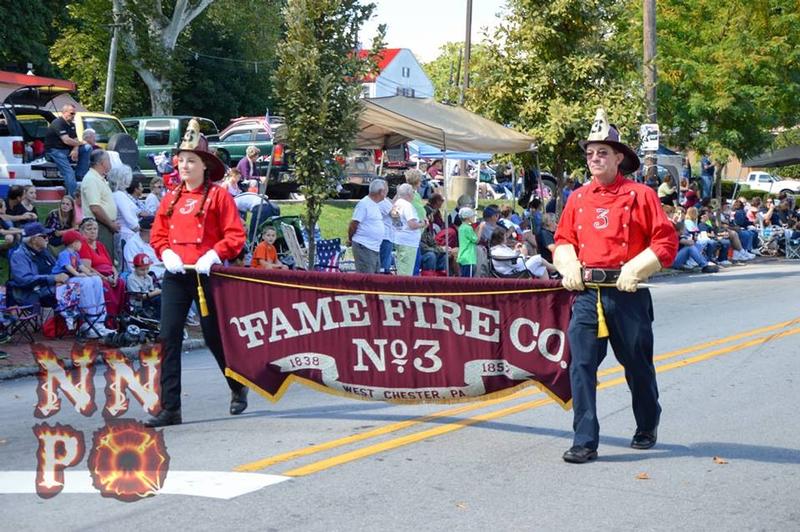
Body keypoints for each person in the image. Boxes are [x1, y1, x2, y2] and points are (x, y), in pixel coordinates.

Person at [552, 108, 678, 464]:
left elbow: (665, 243)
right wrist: (567, 262)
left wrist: (638, 267)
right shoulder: (577, 198)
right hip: (587, 295)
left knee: (637, 365)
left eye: (602, 152)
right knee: (581, 366)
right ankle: (585, 440)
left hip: (627, 294)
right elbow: (563, 238)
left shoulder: (641, 195)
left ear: (619, 157)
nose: (594, 158)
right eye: (590, 153)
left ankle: (647, 422)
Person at [145, 118, 248, 427]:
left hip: (206, 274)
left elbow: (235, 236)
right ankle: (170, 407)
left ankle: (237, 385)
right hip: (177, 273)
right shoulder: (170, 197)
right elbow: (157, 235)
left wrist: (215, 254)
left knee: (214, 337)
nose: (185, 166)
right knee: (168, 338)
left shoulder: (218, 196)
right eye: (182, 160)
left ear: (205, 165)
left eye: (191, 161)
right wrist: (165, 253)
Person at [52, 230, 113, 336]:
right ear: (74, 243)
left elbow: (81, 266)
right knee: (85, 282)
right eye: (80, 242)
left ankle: (99, 320)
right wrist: (77, 274)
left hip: (73, 278)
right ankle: (90, 318)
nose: (82, 244)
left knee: (96, 279)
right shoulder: (64, 254)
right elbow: (68, 267)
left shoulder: (75, 254)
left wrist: (90, 273)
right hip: (63, 280)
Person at [8, 223, 69, 306]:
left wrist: (62, 278)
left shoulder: (44, 250)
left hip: (51, 287)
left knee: (80, 284)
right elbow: (24, 280)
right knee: (73, 291)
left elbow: (56, 268)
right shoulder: (19, 255)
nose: (48, 238)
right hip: (32, 293)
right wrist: (53, 279)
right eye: (44, 236)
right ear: (34, 239)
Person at [77, 218, 126, 320]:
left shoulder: (100, 245)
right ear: (81, 231)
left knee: (121, 282)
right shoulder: (82, 245)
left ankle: (120, 318)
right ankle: (107, 319)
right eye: (89, 228)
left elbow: (111, 265)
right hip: (97, 276)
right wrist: (105, 278)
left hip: (110, 275)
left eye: (95, 228)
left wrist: (116, 276)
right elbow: (87, 268)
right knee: (105, 285)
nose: (93, 231)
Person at [80, 150, 120, 256]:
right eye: (109, 160)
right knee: (103, 257)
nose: (110, 163)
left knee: (108, 255)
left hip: (104, 225)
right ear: (102, 162)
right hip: (99, 226)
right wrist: (111, 224)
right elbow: (95, 208)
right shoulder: (91, 179)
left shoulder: (99, 178)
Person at [44, 104, 90, 196]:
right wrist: (81, 143)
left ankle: (79, 176)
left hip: (68, 151)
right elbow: (66, 140)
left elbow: (75, 139)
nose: (74, 116)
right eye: (72, 113)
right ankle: (73, 197)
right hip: (55, 151)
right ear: (64, 113)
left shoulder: (72, 125)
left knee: (87, 148)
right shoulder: (58, 123)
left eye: (75, 114)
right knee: (69, 172)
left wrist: (76, 149)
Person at [348, 179, 388, 274]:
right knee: (366, 277)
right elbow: (354, 224)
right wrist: (350, 238)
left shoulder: (375, 204)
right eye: (385, 190)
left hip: (374, 247)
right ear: (381, 192)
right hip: (364, 246)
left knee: (375, 275)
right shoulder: (364, 204)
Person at [391, 183, 427, 276]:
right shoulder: (407, 206)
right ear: (409, 194)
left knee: (401, 267)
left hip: (399, 238)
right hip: (408, 242)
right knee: (407, 270)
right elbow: (412, 224)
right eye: (412, 192)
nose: (413, 195)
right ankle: (403, 288)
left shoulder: (396, 204)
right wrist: (423, 224)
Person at [127, 253, 162, 318]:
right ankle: (158, 319)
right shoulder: (131, 278)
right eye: (142, 270)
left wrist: (156, 291)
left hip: (148, 299)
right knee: (159, 300)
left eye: (147, 269)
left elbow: (151, 290)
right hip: (138, 303)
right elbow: (139, 297)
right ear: (135, 267)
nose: (145, 272)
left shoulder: (148, 277)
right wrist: (156, 292)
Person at [457, 207, 479, 277]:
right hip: (469, 259)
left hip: (462, 257)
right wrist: (481, 227)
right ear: (467, 217)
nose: (473, 218)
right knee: (468, 282)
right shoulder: (468, 228)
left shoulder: (461, 227)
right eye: (472, 216)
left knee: (463, 280)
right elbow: (477, 240)